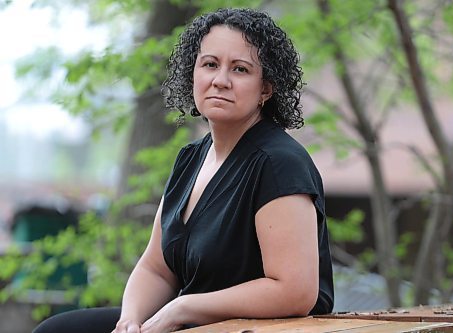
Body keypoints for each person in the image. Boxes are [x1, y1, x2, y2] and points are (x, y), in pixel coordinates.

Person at [33, 7, 334, 333]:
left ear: (266, 89)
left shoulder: (278, 163)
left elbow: (295, 291)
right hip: (189, 321)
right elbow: (156, 268)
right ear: (193, 74)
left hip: (247, 328)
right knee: (57, 329)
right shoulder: (191, 159)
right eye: (209, 65)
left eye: (240, 69)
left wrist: (181, 307)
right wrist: (131, 319)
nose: (221, 80)